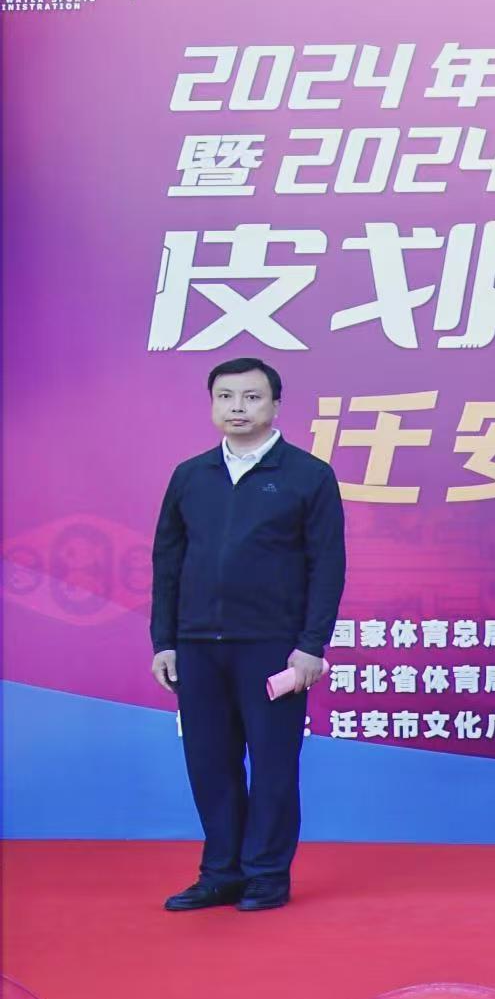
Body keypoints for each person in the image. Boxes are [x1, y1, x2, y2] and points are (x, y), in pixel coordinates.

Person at [151, 356, 346, 913]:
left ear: (275, 405)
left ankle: (266, 874)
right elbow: (167, 562)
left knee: (273, 764)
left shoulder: (308, 475)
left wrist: (310, 646)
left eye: (252, 397)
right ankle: (221, 874)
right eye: (226, 397)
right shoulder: (191, 476)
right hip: (197, 645)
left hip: (273, 647)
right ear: (213, 404)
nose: (238, 407)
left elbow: (327, 566)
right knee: (209, 763)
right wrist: (164, 641)